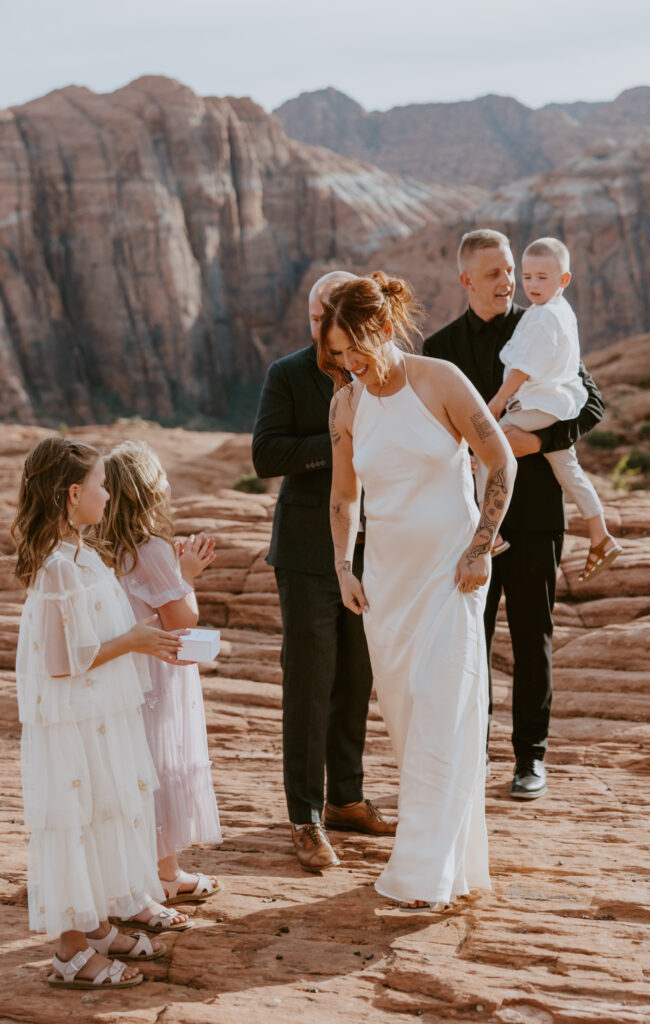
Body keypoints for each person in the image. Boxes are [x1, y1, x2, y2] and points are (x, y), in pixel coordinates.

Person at [321, 272, 516, 911]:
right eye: (339, 354)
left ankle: (421, 873)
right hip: (386, 587)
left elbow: (501, 463)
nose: (350, 363)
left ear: (383, 329)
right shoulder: (346, 405)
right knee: (408, 723)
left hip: (450, 575)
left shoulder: (440, 380)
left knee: (444, 712)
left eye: (356, 348)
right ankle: (453, 861)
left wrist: (480, 546)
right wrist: (345, 568)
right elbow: (345, 496)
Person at [423, 229, 605, 800]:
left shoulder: (543, 322)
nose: (509, 282)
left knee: (534, 638)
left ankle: (530, 760)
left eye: (511, 271)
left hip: (534, 516)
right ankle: (470, 754)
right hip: (465, 522)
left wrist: (538, 439)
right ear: (466, 281)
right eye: (496, 273)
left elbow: (590, 402)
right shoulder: (439, 348)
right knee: (467, 638)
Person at [12, 437, 186, 990]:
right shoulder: (58, 568)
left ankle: (99, 926)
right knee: (75, 822)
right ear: (71, 494)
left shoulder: (86, 556)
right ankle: (68, 952)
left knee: (103, 811)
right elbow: (63, 662)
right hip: (74, 721)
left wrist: (135, 638)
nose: (108, 495)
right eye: (99, 485)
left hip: (99, 715)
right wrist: (133, 639)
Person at [252, 271, 396, 873]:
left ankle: (346, 798)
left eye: (329, 319)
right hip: (309, 554)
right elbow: (266, 455)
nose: (321, 331)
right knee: (309, 684)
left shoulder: (381, 371)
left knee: (356, 678)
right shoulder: (287, 374)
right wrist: (338, 442)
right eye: (314, 319)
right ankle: (305, 817)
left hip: (373, 552)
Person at [96, 441, 222, 907]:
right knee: (160, 766)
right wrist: (186, 572)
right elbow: (181, 621)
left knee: (130, 771)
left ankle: (139, 873)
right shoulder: (149, 549)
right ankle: (164, 874)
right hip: (158, 673)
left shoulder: (101, 548)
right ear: (150, 494)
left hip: (122, 673)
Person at [481, 236, 621, 580]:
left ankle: (489, 532)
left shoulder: (545, 317)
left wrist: (498, 402)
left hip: (537, 403)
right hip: (557, 404)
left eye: (543, 277)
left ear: (564, 279)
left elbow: (524, 367)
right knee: (567, 466)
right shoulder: (557, 311)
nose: (532, 285)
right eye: (527, 276)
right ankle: (600, 535)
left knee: (487, 449)